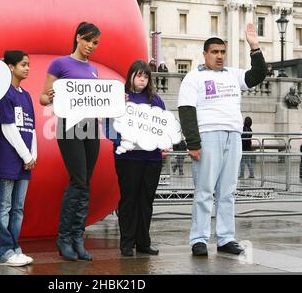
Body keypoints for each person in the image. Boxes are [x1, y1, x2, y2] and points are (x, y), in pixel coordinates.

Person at [177, 23, 266, 257]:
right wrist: (193, 143)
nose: (219, 56)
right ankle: (199, 238)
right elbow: (186, 110)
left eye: (222, 52)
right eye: (214, 52)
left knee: (227, 191)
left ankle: (226, 237)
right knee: (204, 190)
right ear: (205, 54)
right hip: (208, 135)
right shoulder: (193, 77)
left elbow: (257, 75)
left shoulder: (233, 75)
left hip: (233, 136)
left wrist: (254, 47)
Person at [40, 22, 101, 261]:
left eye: (95, 43)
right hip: (69, 126)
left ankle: (78, 237)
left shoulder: (94, 70)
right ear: (78, 38)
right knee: (77, 180)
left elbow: (98, 100)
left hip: (90, 127)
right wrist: (50, 96)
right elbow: (43, 98)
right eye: (87, 40)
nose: (90, 46)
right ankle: (64, 237)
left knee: (86, 183)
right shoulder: (60, 63)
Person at [107, 60, 165, 257]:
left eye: (146, 76)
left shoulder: (155, 100)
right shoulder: (120, 98)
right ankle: (127, 242)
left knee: (146, 201)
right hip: (128, 157)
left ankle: (143, 242)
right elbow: (107, 126)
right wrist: (118, 138)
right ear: (131, 75)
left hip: (152, 158)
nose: (143, 79)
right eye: (139, 75)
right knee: (129, 200)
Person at [0, 50, 36, 267]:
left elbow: (31, 128)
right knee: (4, 207)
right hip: (8, 160)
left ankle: (15, 248)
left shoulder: (26, 95)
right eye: (22, 64)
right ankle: (4, 252)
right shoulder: (3, 93)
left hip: (26, 162)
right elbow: (8, 127)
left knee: (18, 208)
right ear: (10, 67)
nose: (27, 68)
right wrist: (26, 155)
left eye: (28, 64)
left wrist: (32, 156)